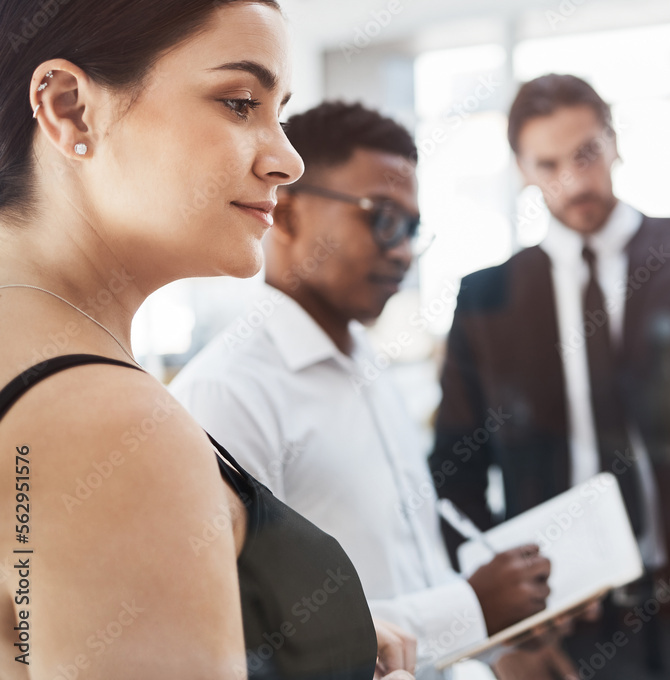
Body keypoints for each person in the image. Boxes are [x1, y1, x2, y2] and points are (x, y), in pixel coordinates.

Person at [0, 3, 414, 679]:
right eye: (239, 102)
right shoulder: (108, 423)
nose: (287, 160)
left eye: (279, 110)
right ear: (70, 108)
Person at [429, 74, 670, 680]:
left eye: (586, 154)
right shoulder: (486, 297)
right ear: (522, 169)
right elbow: (456, 468)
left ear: (614, 142)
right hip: (567, 608)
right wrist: (501, 628)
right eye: (549, 163)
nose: (574, 180)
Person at [169, 101, 554, 679]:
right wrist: (471, 608)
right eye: (381, 217)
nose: (401, 249)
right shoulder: (228, 393)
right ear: (289, 214)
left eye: (412, 228)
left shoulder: (369, 365)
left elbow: (411, 570)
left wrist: (503, 641)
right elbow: (252, 640)